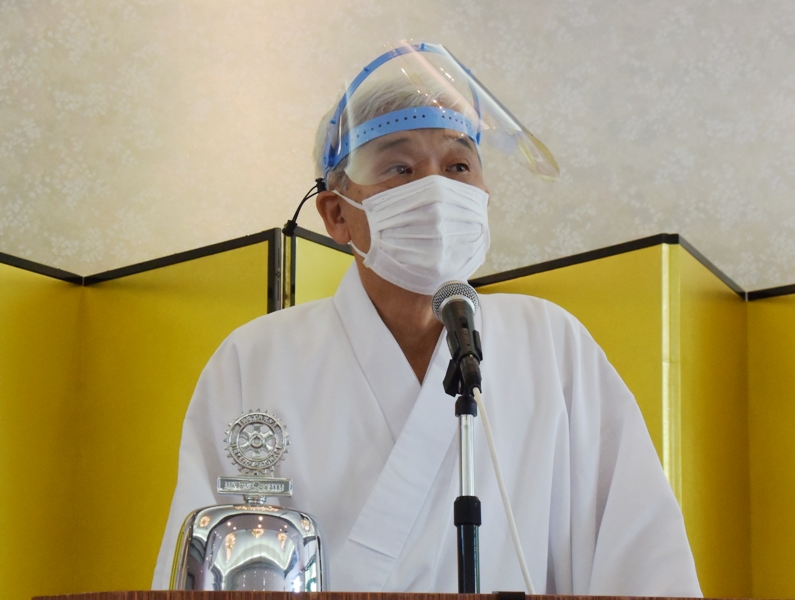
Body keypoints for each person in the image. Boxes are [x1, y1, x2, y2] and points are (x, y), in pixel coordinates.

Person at [153, 41, 701, 595]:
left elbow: (640, 555)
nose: (436, 189)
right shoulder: (254, 360)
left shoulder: (552, 344)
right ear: (337, 214)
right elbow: (204, 567)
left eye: (458, 165)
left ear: (483, 195)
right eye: (400, 167)